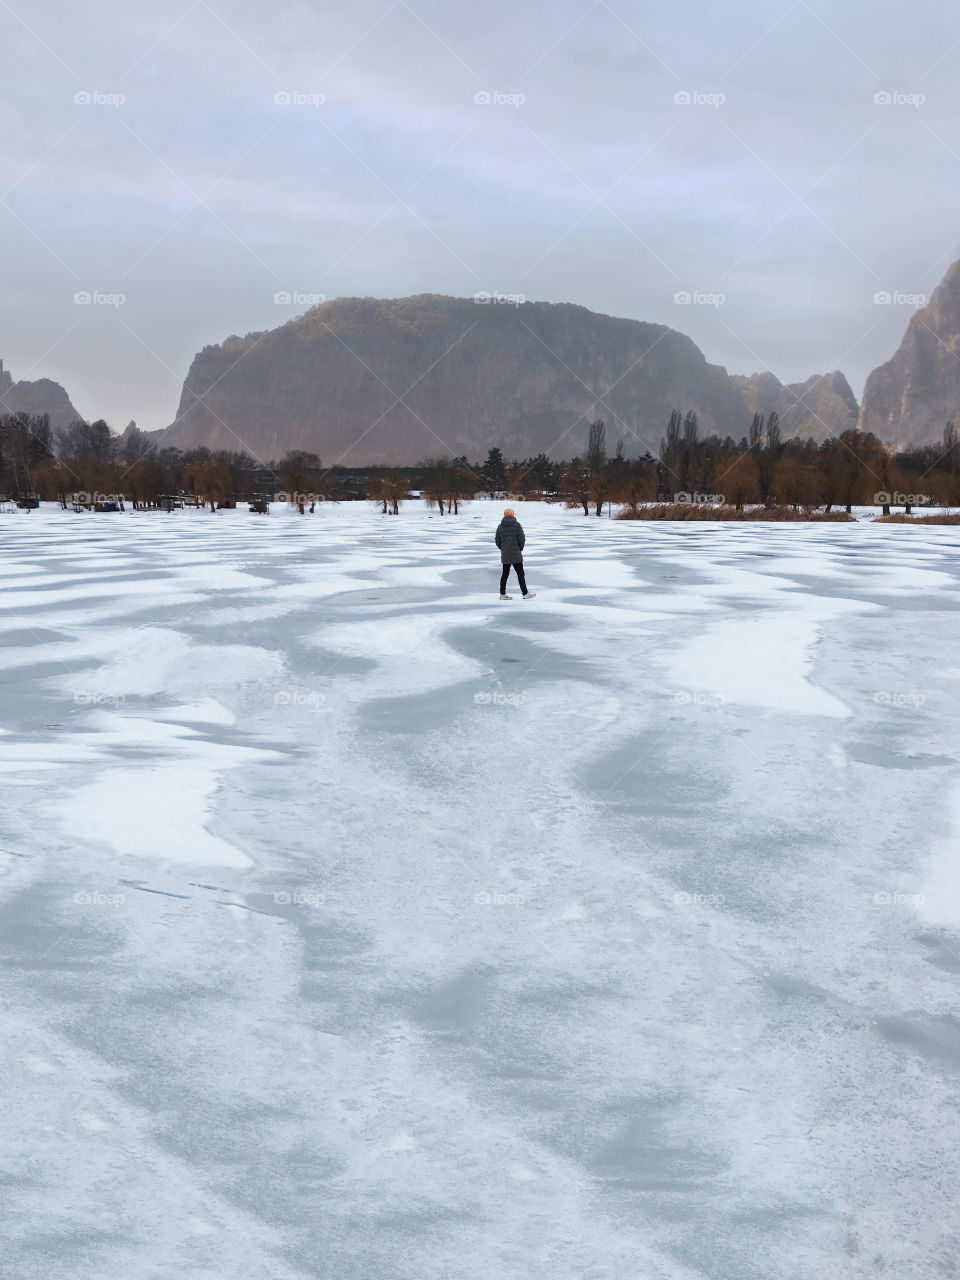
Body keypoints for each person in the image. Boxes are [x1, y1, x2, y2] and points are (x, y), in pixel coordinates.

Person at [495, 508, 535, 600]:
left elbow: (497, 541)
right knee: (520, 573)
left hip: (505, 554)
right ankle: (525, 593)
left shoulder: (500, 526)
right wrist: (520, 548)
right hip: (516, 554)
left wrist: (504, 549)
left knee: (505, 574)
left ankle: (502, 594)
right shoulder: (517, 525)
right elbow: (522, 539)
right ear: (512, 515)